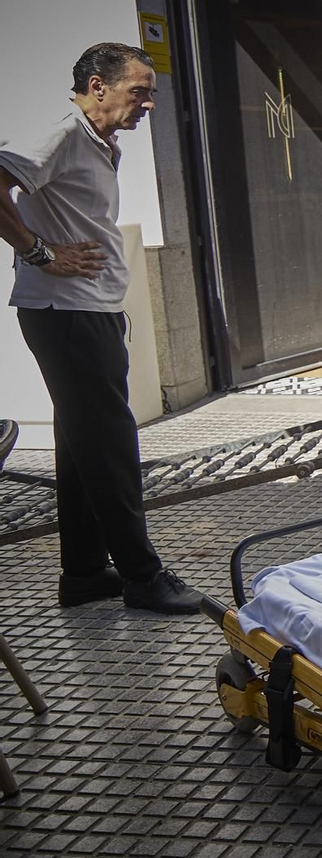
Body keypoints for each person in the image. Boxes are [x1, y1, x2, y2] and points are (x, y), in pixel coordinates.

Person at [1, 44, 205, 614]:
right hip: (65, 314)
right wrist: (41, 253)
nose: (148, 104)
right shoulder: (62, 133)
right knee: (112, 446)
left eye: (151, 93)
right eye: (139, 90)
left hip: (87, 311)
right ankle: (143, 576)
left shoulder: (97, 141)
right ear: (98, 85)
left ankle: (86, 573)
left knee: (82, 446)